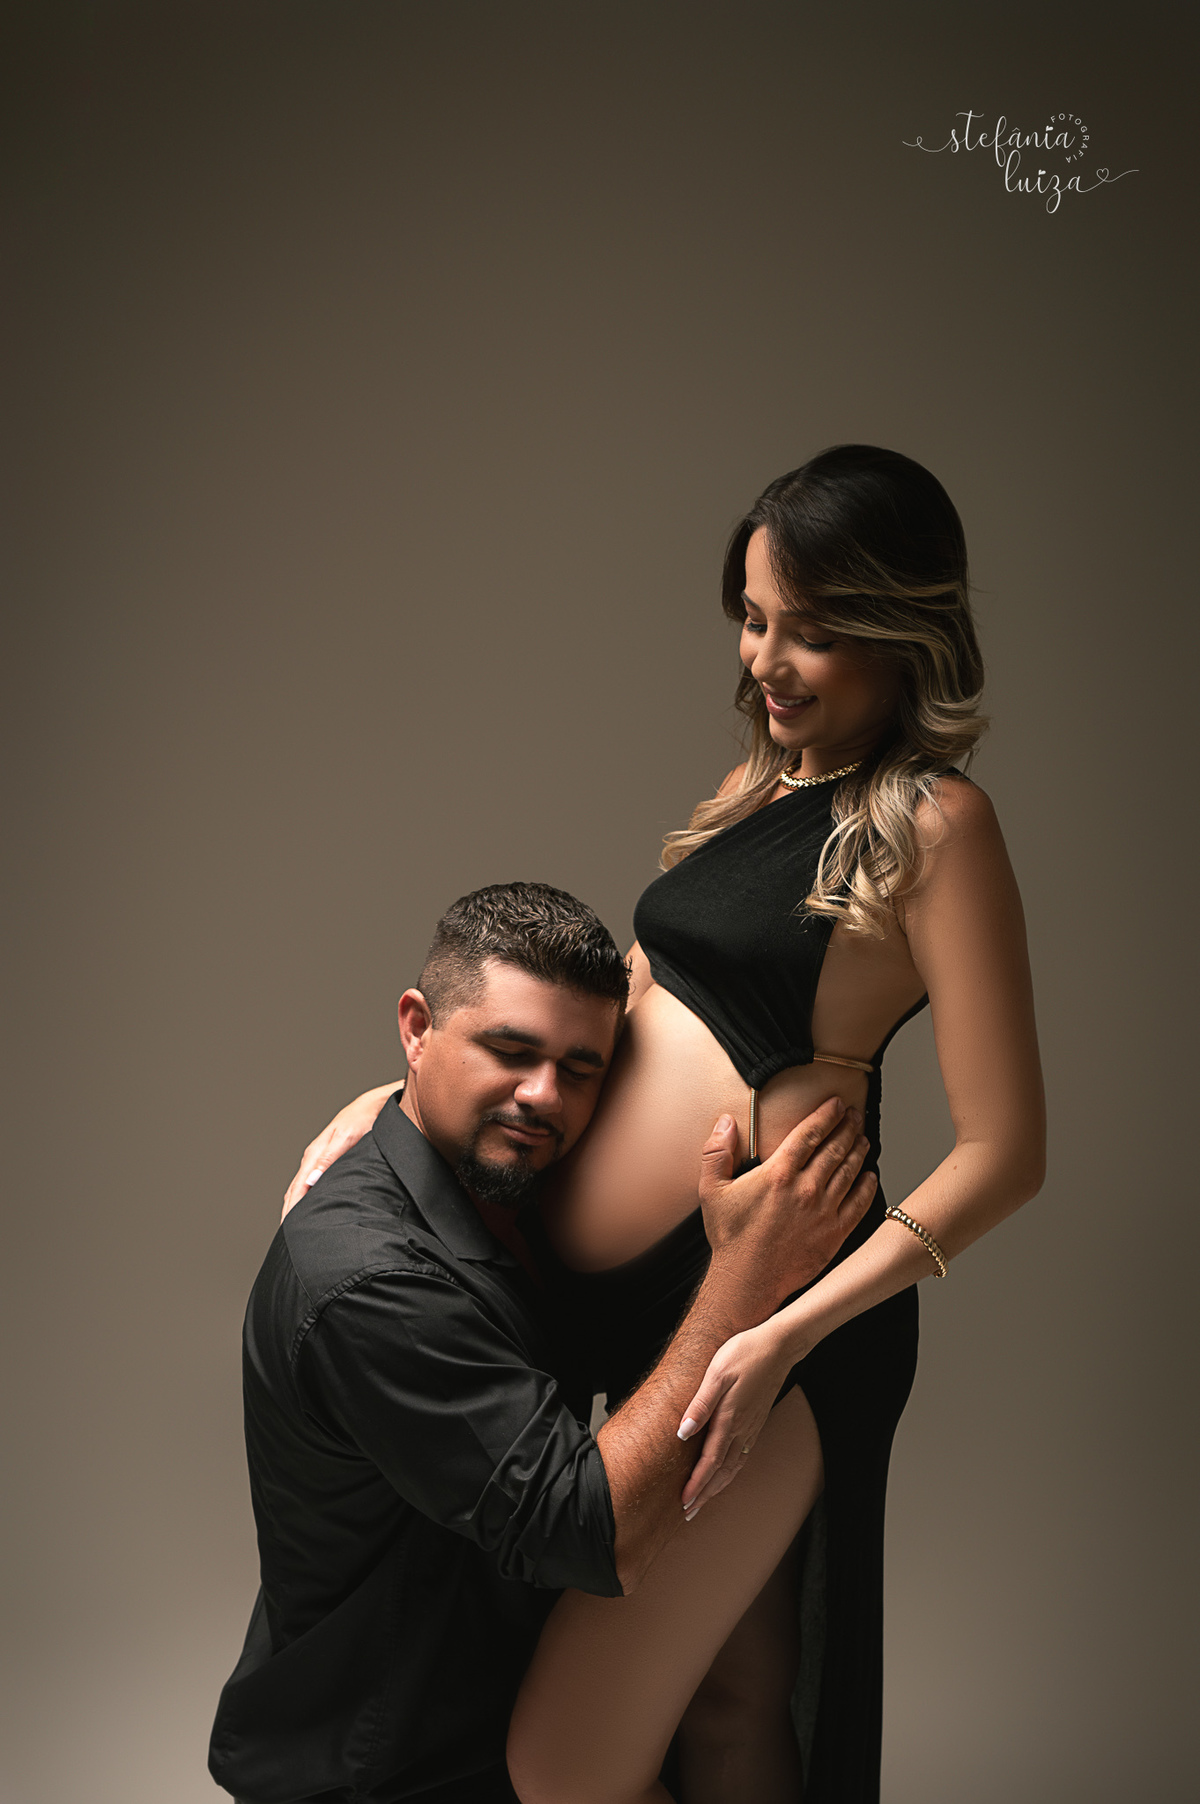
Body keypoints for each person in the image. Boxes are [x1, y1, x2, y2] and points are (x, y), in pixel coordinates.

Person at [287, 444, 1046, 1803]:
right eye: (753, 618)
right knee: (731, 1696)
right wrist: (391, 1095)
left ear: (901, 625)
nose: (768, 659)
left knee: (568, 1758)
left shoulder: (937, 824)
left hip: (771, 1324)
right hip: (651, 1313)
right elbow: (630, 1010)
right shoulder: (761, 799)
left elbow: (1007, 1152)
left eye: (813, 630)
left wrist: (784, 1333)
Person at [210, 882, 877, 1804]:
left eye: (580, 1068)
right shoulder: (370, 1281)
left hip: (500, 1718)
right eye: (510, 1052)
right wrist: (743, 1278)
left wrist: (386, 1096)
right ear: (416, 1028)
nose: (542, 1097)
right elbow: (590, 1533)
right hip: (393, 1773)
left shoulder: (511, 1193)